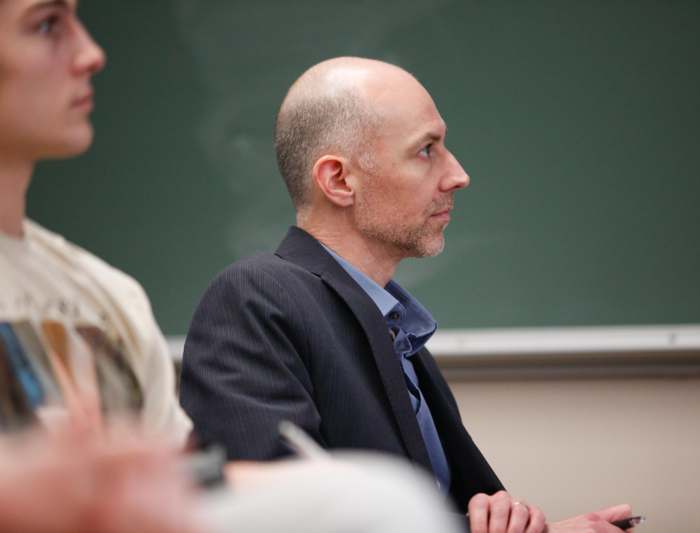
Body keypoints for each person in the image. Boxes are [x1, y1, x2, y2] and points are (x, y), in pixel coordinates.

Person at [0, 2, 460, 532]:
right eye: (46, 24)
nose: (92, 54)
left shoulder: (107, 298)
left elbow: (182, 486)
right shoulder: (258, 297)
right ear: (336, 180)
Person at [180, 56, 635, 533]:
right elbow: (280, 521)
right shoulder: (258, 298)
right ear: (338, 180)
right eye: (426, 150)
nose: (458, 174)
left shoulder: (393, 329)